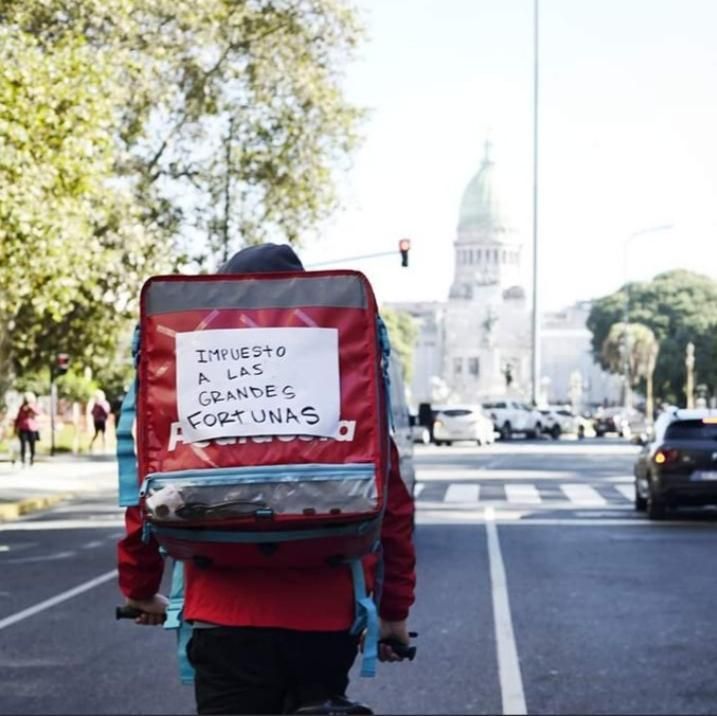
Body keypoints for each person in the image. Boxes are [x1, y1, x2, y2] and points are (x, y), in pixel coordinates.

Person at [117, 244, 417, 715]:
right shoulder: (342, 385)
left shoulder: (197, 376)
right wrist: (394, 613)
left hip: (223, 618)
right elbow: (393, 509)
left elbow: (149, 498)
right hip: (325, 619)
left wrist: (139, 590)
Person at [14, 392, 40, 467]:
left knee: (32, 444)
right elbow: (18, 418)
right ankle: (23, 460)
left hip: (32, 428)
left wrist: (31, 406)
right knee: (23, 445)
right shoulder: (21, 407)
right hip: (23, 428)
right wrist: (15, 428)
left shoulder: (34, 406)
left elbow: (38, 413)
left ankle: (32, 459)